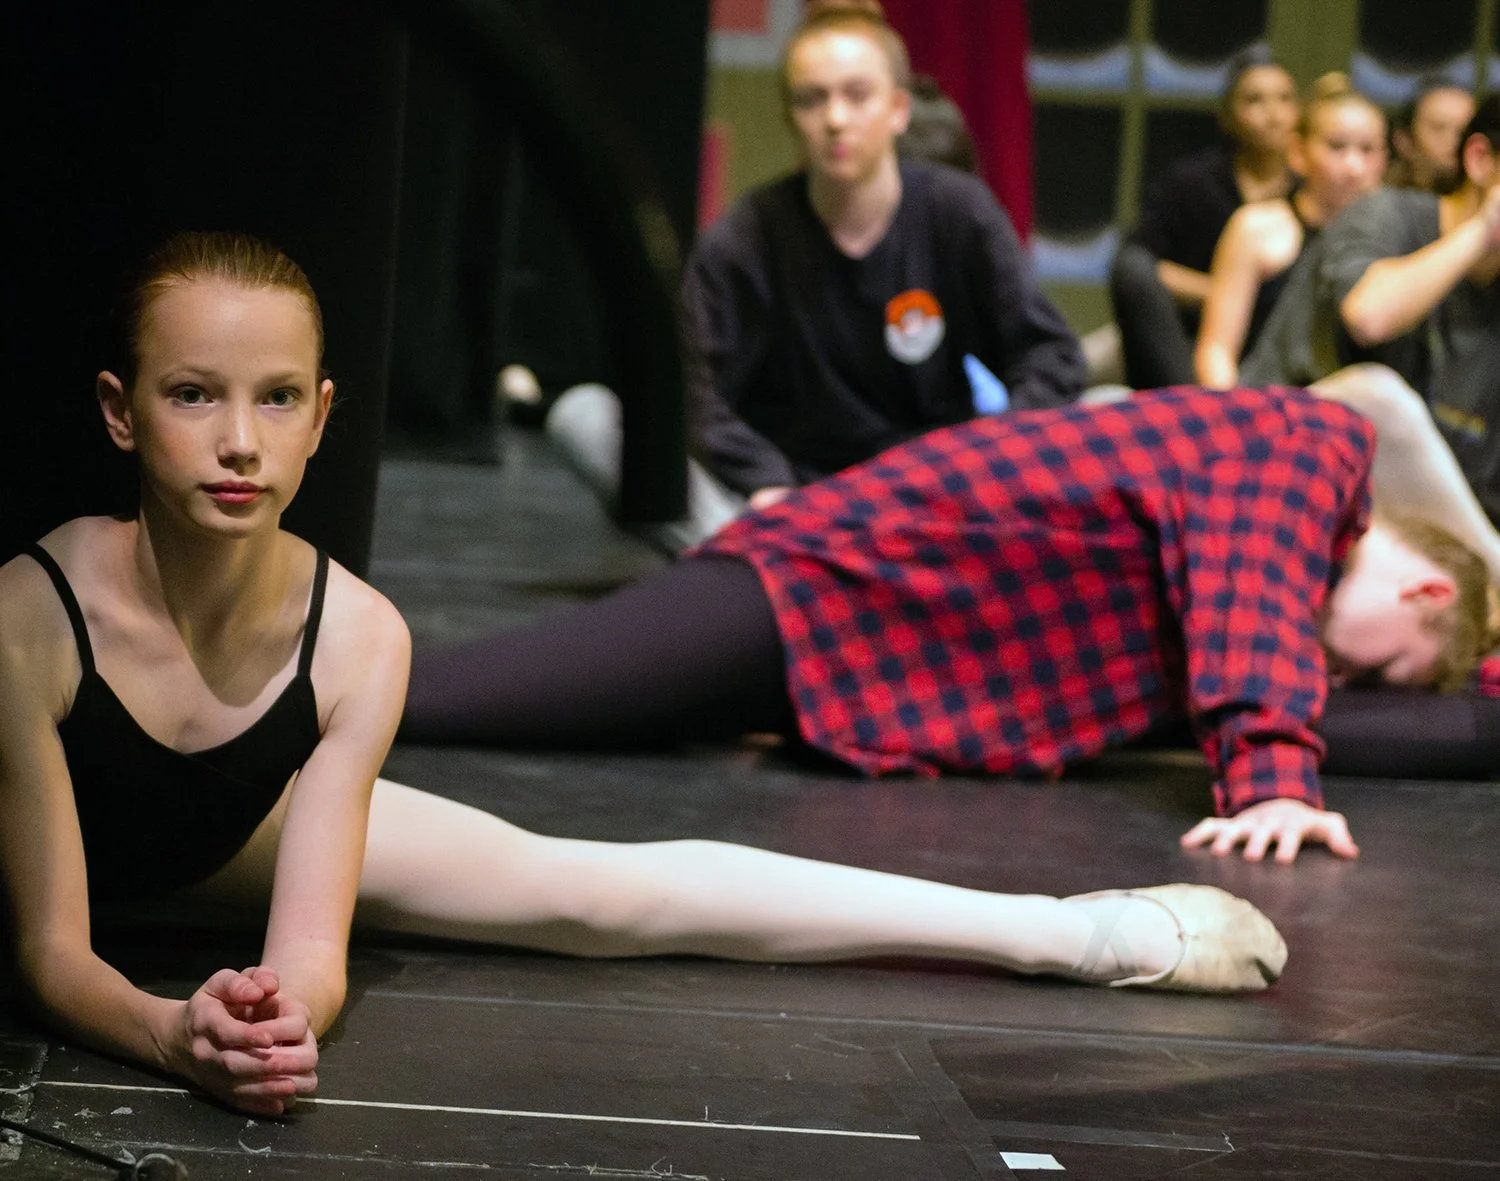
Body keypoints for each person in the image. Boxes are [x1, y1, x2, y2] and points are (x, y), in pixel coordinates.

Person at [0, 233, 1289, 1121]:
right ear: (121, 411)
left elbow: (314, 957)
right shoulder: (33, 613)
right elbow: (51, 950)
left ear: (327, 412)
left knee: (596, 889)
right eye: (193, 394)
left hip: (220, 832)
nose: (239, 441)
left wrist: (275, 1017)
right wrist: (172, 1031)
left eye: (277, 398)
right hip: (74, 861)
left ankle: (1068, 931)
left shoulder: (360, 639)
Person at [404, 380, 1495, 864]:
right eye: (1383, 672)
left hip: (843, 671)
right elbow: (1251, 578)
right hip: (819, 583)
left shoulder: (1245, 589)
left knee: (506, 708)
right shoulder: (1314, 446)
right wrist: (1271, 774)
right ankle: (252, 689)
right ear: (1425, 591)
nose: (1347, 683)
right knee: (447, 695)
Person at [546, 1, 1082, 552]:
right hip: (789, 507)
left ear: (899, 109)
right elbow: (692, 389)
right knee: (587, 416)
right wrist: (767, 478)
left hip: (931, 507)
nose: (835, 119)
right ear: (789, 119)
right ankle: (777, 578)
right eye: (812, 99)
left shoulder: (958, 214)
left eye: (857, 96)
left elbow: (1049, 355)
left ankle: (795, 592)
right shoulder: (748, 236)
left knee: (1109, 410)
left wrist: (976, 465)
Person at [1326, 93, 1500, 522]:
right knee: (1385, 395)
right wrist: (1485, 229)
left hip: (1419, 531)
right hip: (1303, 477)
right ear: (1479, 160)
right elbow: (1369, 316)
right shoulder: (1385, 214)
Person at [1109, 49, 1299, 390]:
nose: (1273, 114)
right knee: (1130, 271)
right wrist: (1226, 293)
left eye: (1284, 99)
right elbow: (1141, 266)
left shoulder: (1307, 192)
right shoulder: (1191, 182)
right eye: (1255, 100)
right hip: (1187, 338)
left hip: (1272, 345)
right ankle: (1193, 405)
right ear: (1227, 115)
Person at [1195, 75, 1387, 389]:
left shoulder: (1395, 240)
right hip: (1264, 407)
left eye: (1368, 150)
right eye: (1337, 147)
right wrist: (1234, 417)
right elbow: (1216, 351)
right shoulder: (1255, 228)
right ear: (1298, 151)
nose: (1354, 166)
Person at [1386, 78, 1477, 193]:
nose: (1456, 140)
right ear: (1405, 140)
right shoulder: (1382, 206)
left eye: (1466, 131)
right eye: (1439, 128)